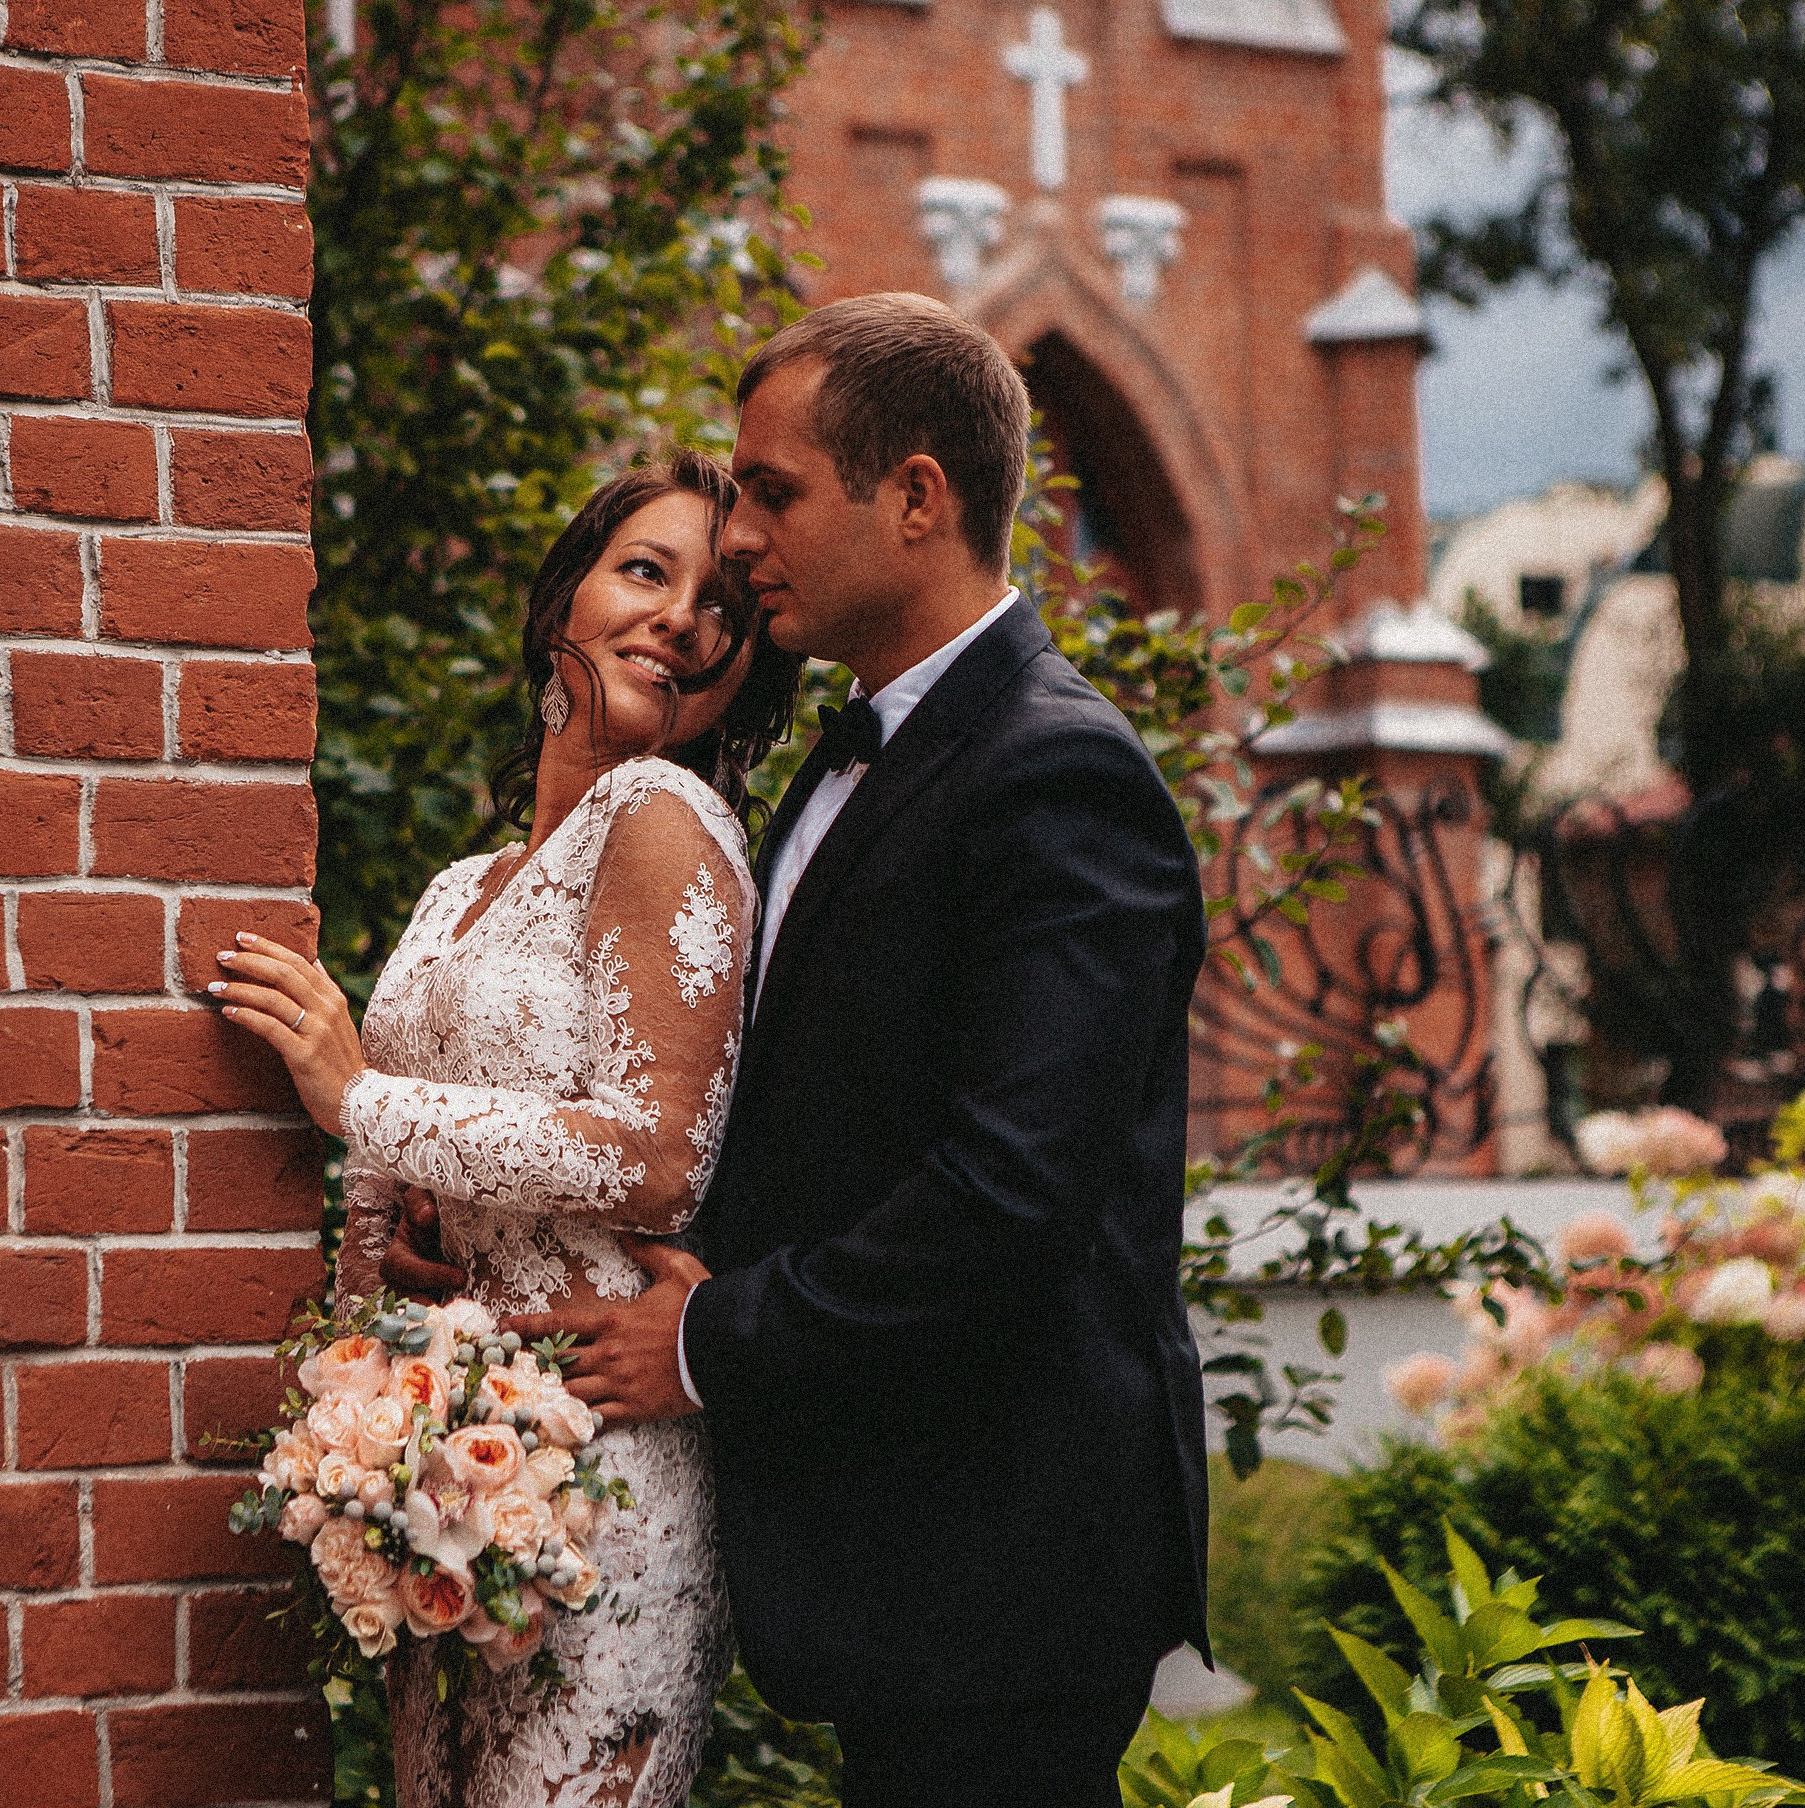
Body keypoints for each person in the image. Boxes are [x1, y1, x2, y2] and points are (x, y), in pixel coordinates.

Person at [506, 294, 1213, 1807]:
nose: (739, 537)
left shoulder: (1060, 775)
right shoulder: (850, 756)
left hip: (1005, 1557)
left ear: (916, 497)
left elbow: (1007, 1197)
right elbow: (802, 1114)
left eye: (773, 492)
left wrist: (707, 1340)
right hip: (891, 1545)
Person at [212, 448, 801, 1808]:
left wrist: (361, 1096)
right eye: (644, 571)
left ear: (743, 673)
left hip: (603, 1467)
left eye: (722, 607)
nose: (679, 618)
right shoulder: (460, 887)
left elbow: (656, 1160)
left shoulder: (665, 814)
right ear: (560, 607)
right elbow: (391, 1187)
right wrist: (358, 1397)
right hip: (434, 1463)